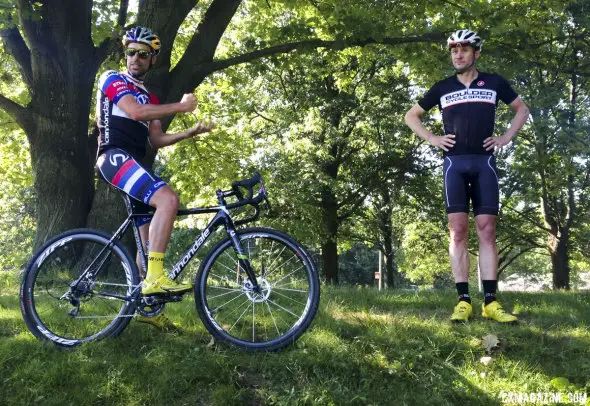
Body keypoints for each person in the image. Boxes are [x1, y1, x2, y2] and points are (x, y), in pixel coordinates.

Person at [404, 29, 530, 323]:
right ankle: (463, 300)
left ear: (476, 53)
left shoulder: (495, 82)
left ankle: (490, 301)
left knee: (487, 229)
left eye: (463, 49)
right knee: (457, 231)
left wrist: (506, 136)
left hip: (484, 162)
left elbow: (521, 110)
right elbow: (412, 115)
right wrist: (433, 138)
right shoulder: (442, 87)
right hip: (454, 165)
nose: (458, 54)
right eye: (453, 50)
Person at [95, 26, 214, 329]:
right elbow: (134, 113)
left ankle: (148, 308)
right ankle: (156, 280)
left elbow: (156, 139)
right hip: (115, 157)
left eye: (143, 54)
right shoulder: (113, 78)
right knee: (168, 199)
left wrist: (189, 131)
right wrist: (181, 107)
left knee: (148, 246)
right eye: (131, 51)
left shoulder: (150, 96)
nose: (135, 58)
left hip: (134, 162)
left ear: (152, 60)